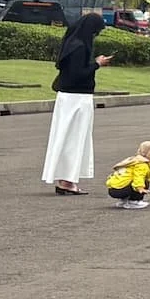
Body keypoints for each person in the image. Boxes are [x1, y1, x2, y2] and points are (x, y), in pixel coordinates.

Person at [43, 13, 112, 195]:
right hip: (77, 98)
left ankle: (64, 179)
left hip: (67, 97)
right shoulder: (80, 48)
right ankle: (67, 181)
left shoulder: (71, 44)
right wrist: (97, 64)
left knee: (65, 137)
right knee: (75, 139)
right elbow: (78, 74)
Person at [106, 140, 150, 209]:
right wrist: (140, 188)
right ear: (144, 153)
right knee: (145, 182)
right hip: (120, 189)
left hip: (113, 189)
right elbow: (138, 176)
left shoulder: (134, 160)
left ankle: (123, 201)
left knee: (130, 181)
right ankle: (134, 201)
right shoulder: (142, 164)